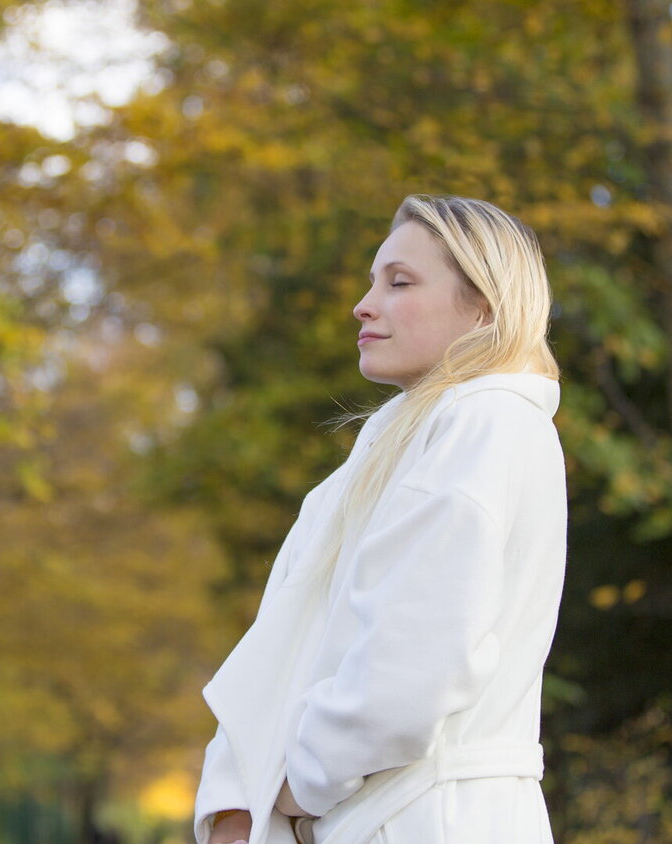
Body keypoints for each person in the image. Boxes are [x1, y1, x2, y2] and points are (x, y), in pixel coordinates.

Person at [192, 194, 567, 844]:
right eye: (373, 282)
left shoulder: (483, 423)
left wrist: (285, 785)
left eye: (399, 282)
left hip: (435, 819)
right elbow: (300, 641)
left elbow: (410, 674)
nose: (364, 305)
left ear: (481, 306)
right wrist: (243, 791)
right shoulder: (406, 441)